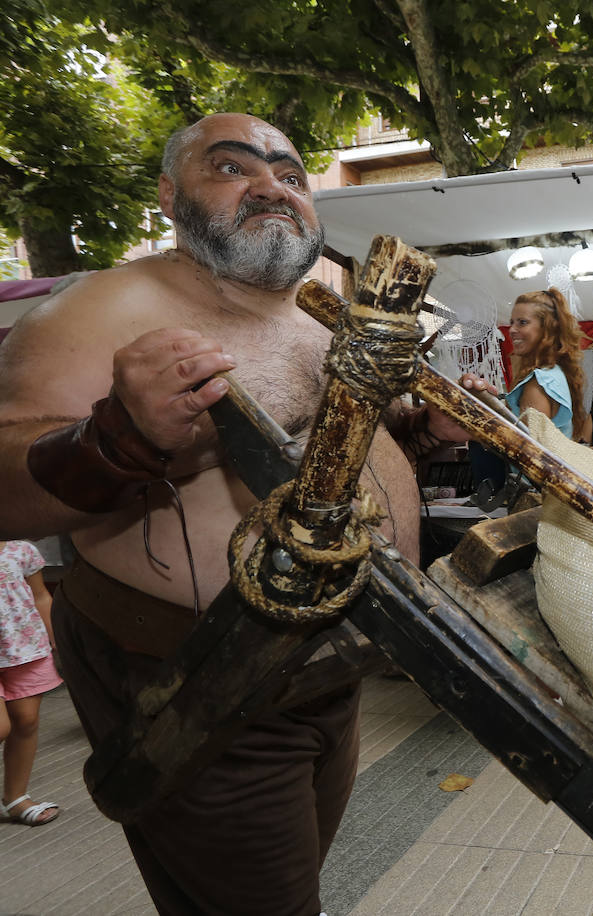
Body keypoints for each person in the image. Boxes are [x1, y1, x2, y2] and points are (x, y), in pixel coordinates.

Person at [0, 113, 443, 914]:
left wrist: (414, 425)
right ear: (170, 197)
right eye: (234, 168)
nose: (272, 185)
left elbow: (325, 442)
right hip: (199, 678)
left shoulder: (321, 309)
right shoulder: (97, 308)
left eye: (292, 175)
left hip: (330, 669)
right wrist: (116, 440)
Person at [1, 540, 61, 826]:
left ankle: (15, 798)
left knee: (26, 721)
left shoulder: (21, 550)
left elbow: (41, 597)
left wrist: (56, 639)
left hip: (24, 648)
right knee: (1, 726)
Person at [504, 288, 587, 439]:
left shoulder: (538, 384)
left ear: (546, 328)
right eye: (512, 322)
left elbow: (531, 456)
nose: (512, 330)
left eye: (522, 322)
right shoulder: (554, 374)